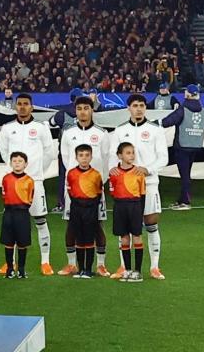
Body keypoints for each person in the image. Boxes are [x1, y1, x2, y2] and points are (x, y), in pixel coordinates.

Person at [0, 92, 58, 276]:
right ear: (15, 106)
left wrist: (37, 172)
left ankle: (45, 261)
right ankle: (10, 263)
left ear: (32, 107)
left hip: (35, 181)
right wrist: (15, 170)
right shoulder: (7, 128)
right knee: (12, 224)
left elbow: (49, 152)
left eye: (26, 104)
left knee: (40, 221)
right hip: (14, 184)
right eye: (20, 104)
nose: (23, 107)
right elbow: (3, 151)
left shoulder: (40, 127)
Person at [111, 93, 168, 280]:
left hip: (149, 184)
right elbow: (113, 156)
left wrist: (148, 169)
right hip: (125, 188)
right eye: (135, 105)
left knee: (151, 224)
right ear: (128, 108)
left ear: (145, 108)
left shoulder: (155, 130)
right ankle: (123, 267)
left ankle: (154, 266)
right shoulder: (119, 131)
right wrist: (114, 171)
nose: (138, 108)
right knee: (125, 229)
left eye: (142, 105)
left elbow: (164, 158)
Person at [57, 97, 112, 276]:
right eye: (79, 108)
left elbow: (106, 160)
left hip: (95, 189)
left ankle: (101, 264)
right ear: (75, 110)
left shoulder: (102, 133)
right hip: (72, 190)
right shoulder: (68, 133)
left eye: (86, 108)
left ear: (91, 110)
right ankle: (72, 264)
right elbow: (66, 159)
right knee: (71, 226)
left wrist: (96, 183)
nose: (82, 112)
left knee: (98, 225)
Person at [160, 85, 204, 210]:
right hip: (195, 145)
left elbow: (168, 121)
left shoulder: (183, 108)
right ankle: (182, 199)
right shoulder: (203, 110)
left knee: (184, 175)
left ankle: (185, 201)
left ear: (188, 94)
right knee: (186, 173)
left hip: (182, 145)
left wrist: (155, 123)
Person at [110, 141, 147, 283]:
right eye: (128, 153)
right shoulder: (114, 173)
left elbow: (143, 193)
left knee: (137, 236)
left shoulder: (139, 173)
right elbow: (112, 192)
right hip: (120, 206)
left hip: (135, 206)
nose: (131, 155)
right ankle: (127, 270)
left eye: (132, 152)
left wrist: (141, 213)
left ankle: (138, 271)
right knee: (124, 237)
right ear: (120, 155)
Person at [65, 144, 104, 278]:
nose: (84, 158)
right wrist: (78, 203)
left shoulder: (96, 174)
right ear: (76, 157)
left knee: (89, 238)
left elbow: (99, 192)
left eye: (87, 155)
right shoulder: (71, 173)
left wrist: (90, 205)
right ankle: (80, 269)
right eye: (81, 155)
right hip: (76, 208)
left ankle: (88, 269)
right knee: (79, 238)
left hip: (91, 209)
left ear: (91, 157)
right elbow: (70, 191)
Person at [0, 151, 35, 279]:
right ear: (10, 163)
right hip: (9, 213)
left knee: (22, 242)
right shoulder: (6, 178)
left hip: (22, 214)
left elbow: (30, 198)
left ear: (25, 164)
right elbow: (4, 195)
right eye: (14, 161)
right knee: (8, 242)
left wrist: (21, 207)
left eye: (20, 161)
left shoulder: (29, 181)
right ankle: (9, 269)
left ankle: (21, 269)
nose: (17, 163)